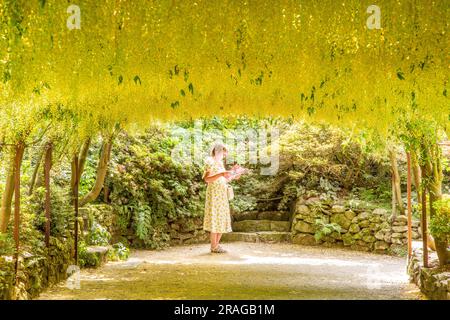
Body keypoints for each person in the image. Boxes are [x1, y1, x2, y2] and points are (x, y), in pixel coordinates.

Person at [202, 142, 243, 253]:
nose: (224, 156)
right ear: (218, 151)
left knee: (221, 218)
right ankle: (213, 247)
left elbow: (225, 178)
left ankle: (216, 246)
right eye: (224, 153)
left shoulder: (220, 163)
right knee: (215, 218)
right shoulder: (209, 161)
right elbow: (207, 179)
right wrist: (222, 174)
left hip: (222, 194)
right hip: (214, 194)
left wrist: (234, 175)